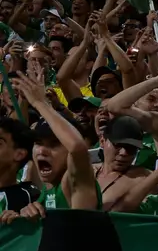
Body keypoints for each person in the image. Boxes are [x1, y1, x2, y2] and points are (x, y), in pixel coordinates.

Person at [11, 74, 100, 217]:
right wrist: (21, 216)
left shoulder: (74, 181)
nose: (42, 151)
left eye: (54, 145)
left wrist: (40, 103)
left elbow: (77, 147)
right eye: (38, 143)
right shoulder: (47, 188)